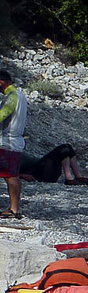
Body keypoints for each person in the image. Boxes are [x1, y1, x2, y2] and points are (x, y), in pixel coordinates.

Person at [0, 70, 28, 219]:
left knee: (11, 176)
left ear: (1, 82)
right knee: (10, 175)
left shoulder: (12, 97)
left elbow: (2, 115)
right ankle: (14, 208)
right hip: (14, 141)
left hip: (8, 142)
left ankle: (14, 209)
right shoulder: (20, 96)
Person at [20, 144, 88, 185]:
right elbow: (10, 174)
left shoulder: (14, 153)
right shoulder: (11, 158)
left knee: (68, 147)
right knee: (64, 148)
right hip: (38, 172)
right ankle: (69, 178)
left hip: (40, 167)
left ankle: (78, 176)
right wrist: (23, 175)